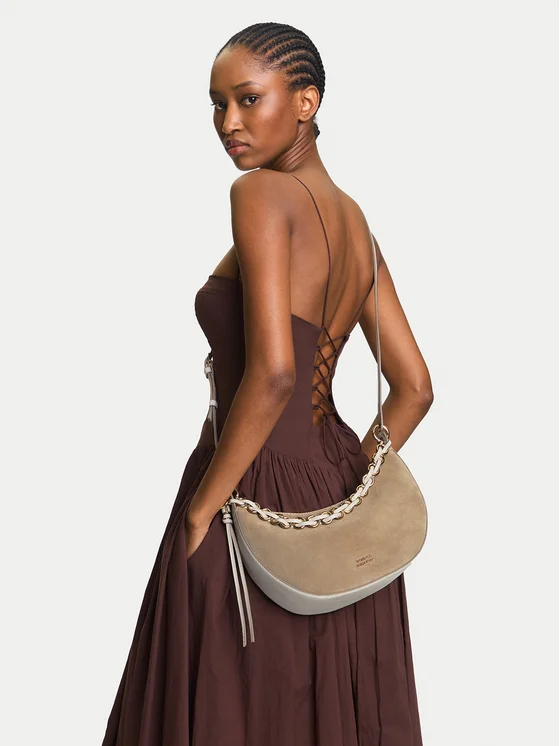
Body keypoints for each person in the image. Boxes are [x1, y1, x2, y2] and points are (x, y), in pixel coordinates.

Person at [101, 21, 433, 746]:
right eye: (217, 104)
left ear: (306, 102)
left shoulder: (260, 195)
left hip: (247, 482)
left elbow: (276, 372)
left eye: (249, 99)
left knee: (231, 698)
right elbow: (415, 388)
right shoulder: (357, 225)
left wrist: (201, 509)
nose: (229, 122)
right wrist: (353, 486)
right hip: (333, 485)